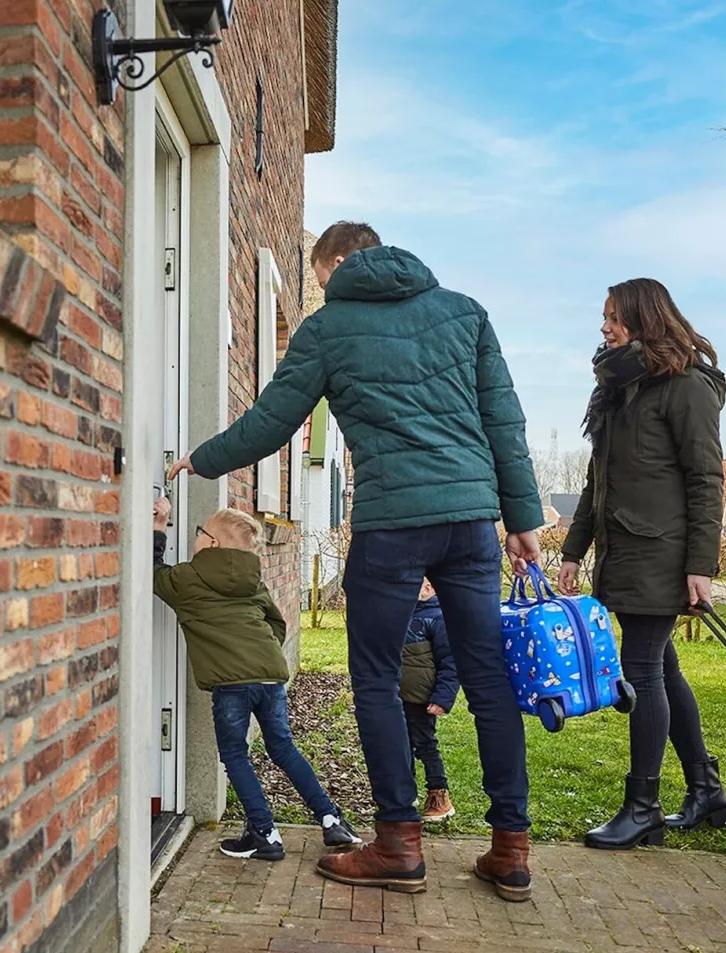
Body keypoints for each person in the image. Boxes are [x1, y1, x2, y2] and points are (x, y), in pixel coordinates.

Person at [168, 222, 543, 900]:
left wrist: (201, 458)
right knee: (488, 678)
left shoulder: (330, 326)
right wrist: (522, 522)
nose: (322, 290)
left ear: (340, 261)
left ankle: (399, 844)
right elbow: (504, 424)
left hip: (393, 525)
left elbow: (273, 420)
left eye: (319, 278)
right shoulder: (465, 312)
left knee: (374, 677)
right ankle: (511, 851)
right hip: (470, 523)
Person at [556, 278, 726, 850]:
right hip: (624, 552)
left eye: (613, 317)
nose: (604, 327)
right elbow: (596, 482)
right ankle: (706, 790)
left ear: (643, 318)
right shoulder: (618, 389)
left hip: (662, 552)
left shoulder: (686, 387)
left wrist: (700, 566)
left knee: (642, 671)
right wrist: (573, 551)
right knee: (663, 669)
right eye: (603, 317)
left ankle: (643, 808)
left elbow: (707, 479)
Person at [153, 498, 361, 860]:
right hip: (270, 677)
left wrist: (159, 526)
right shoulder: (254, 581)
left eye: (200, 532)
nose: (195, 537)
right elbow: (277, 624)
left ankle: (265, 834)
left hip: (231, 685)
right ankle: (331, 820)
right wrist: (259, 656)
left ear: (213, 543)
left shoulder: (186, 578)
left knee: (234, 755)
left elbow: (153, 575)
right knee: (283, 748)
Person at [402, 579, 458, 822]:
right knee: (400, 744)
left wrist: (442, 698)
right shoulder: (402, 614)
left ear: (429, 589)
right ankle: (405, 792)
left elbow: (451, 661)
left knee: (425, 744)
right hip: (398, 694)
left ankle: (439, 796)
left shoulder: (438, 618)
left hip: (421, 698)